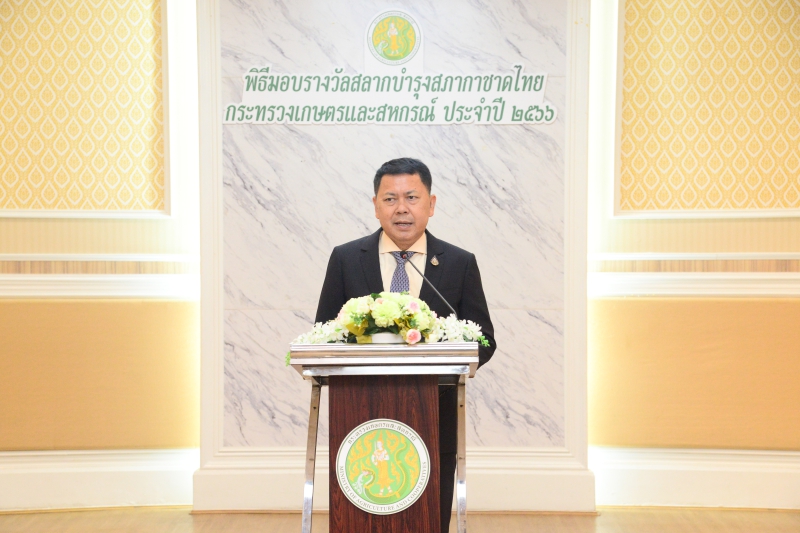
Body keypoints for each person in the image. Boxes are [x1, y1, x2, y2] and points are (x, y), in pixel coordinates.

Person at [315, 157, 496, 531]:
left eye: (412, 197)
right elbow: (325, 332)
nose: (401, 208)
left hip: (435, 414)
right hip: (358, 415)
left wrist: (447, 354)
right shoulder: (346, 258)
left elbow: (484, 340)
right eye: (390, 199)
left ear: (431, 204)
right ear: (375, 205)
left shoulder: (459, 263)